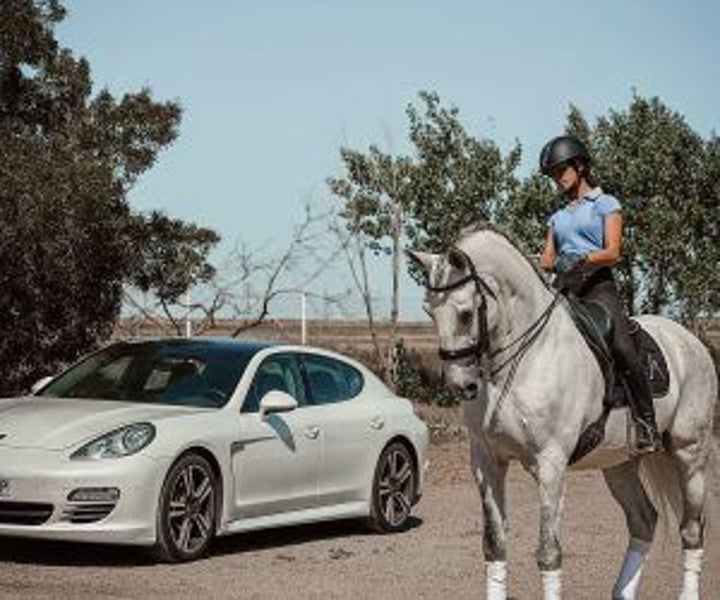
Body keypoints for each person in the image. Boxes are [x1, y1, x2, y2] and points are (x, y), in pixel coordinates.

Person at [538, 134, 662, 453]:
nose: (557, 179)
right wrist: (539, 263)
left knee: (622, 346)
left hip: (597, 287)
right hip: (565, 289)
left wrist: (581, 258)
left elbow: (613, 251)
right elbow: (547, 260)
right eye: (552, 175)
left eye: (561, 171)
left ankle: (647, 423)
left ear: (580, 167)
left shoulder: (605, 204)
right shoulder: (557, 217)